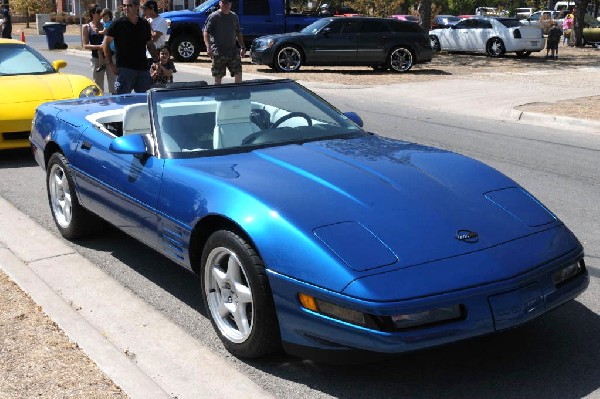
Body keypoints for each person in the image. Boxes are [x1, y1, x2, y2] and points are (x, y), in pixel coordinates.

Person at [103, 0, 157, 94]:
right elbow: (106, 43)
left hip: (142, 69)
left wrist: (156, 61)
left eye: (129, 6)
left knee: (144, 100)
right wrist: (110, 63)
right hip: (124, 69)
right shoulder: (117, 24)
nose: (126, 8)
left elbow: (149, 44)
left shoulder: (144, 24)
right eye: (124, 6)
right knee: (123, 101)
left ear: (137, 7)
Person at [203, 0, 245, 85]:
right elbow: (206, 32)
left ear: (231, 4)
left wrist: (242, 47)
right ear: (220, 3)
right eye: (224, 2)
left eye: (228, 2)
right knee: (218, 78)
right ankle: (219, 96)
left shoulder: (234, 16)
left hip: (233, 51)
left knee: (238, 74)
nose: (226, 4)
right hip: (218, 52)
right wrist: (208, 47)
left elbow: (238, 32)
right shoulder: (214, 16)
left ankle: (237, 94)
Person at [82, 5, 116, 94]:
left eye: (101, 12)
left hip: (110, 57)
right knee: (98, 86)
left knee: (113, 85)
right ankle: (100, 105)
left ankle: (116, 103)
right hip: (96, 59)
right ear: (92, 14)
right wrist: (99, 47)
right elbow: (85, 45)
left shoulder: (106, 24)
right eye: (98, 12)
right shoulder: (87, 27)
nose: (100, 14)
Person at [142, 0, 168, 67]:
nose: (143, 12)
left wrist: (148, 27)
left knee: (156, 76)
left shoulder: (162, 21)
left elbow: (154, 38)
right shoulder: (148, 21)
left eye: (145, 9)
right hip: (146, 55)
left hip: (157, 55)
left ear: (152, 9)